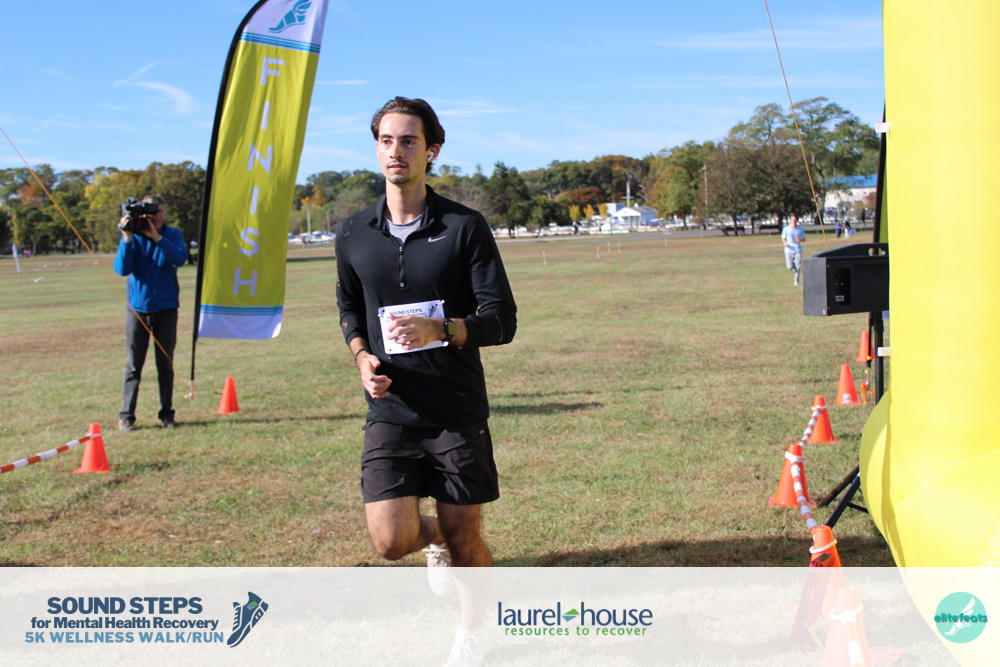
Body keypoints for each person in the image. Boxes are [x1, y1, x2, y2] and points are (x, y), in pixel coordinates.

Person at [336, 96, 517, 664]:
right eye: (386, 140)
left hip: (456, 410)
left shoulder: (464, 227)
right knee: (390, 541)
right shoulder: (353, 232)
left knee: (467, 536)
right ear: (377, 149)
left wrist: (444, 328)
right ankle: (430, 537)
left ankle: (472, 631)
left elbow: (502, 320)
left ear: (431, 150)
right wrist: (361, 356)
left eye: (409, 141)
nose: (396, 151)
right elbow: (349, 308)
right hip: (391, 409)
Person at [113, 195, 187, 432]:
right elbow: (122, 269)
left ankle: (167, 414)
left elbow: (179, 259)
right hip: (137, 310)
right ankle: (127, 416)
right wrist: (127, 237)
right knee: (134, 365)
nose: (156, 217)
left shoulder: (172, 234)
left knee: (165, 364)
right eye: (151, 214)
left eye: (159, 212)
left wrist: (157, 238)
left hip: (166, 308)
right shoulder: (133, 236)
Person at [781, 214, 806, 286]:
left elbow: (804, 238)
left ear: (797, 220)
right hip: (789, 250)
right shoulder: (786, 229)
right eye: (792, 220)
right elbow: (783, 237)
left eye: (794, 220)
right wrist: (785, 243)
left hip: (797, 250)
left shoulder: (800, 229)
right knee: (789, 267)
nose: (793, 221)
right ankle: (793, 268)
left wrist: (800, 239)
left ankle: (796, 281)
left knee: (798, 266)